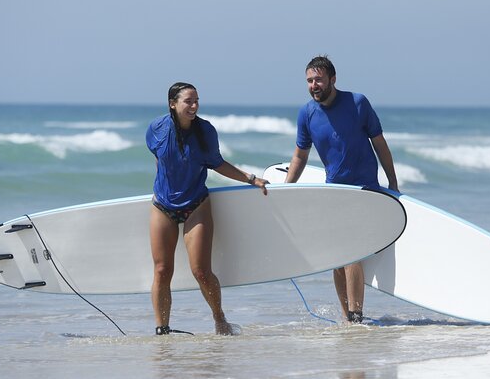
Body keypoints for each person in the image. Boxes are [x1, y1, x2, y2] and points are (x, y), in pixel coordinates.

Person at [146, 81, 269, 336]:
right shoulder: (156, 129)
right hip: (162, 206)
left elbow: (218, 164)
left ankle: (219, 318)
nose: (194, 106)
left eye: (196, 101)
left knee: (201, 271)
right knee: (161, 269)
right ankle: (162, 329)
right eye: (188, 101)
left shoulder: (205, 131)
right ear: (172, 103)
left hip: (196, 205)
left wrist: (251, 178)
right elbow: (160, 159)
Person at [285, 55, 399, 324]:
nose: (314, 85)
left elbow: (380, 144)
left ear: (332, 79)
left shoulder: (358, 103)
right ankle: (348, 316)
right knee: (337, 258)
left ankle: (356, 315)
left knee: (350, 254)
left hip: (365, 190)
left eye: (319, 80)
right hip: (334, 193)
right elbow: (300, 156)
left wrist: (393, 183)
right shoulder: (307, 114)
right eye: (309, 81)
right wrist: (286, 191)